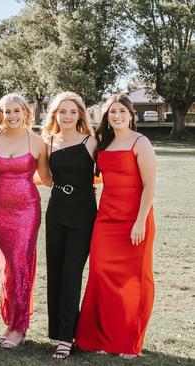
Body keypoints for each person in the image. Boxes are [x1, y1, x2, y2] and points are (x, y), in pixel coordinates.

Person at [75, 94, 156, 360]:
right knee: (100, 274)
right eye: (112, 112)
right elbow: (98, 176)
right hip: (106, 219)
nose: (117, 116)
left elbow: (149, 187)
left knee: (132, 281)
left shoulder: (140, 142)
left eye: (122, 111)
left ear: (131, 115)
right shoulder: (102, 142)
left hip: (136, 219)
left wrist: (140, 221)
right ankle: (99, 337)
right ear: (106, 116)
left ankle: (129, 340)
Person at [0, 93, 51, 348]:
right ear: (0, 114)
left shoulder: (38, 142)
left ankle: (19, 327)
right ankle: (10, 319)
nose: (12, 116)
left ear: (25, 112)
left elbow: (47, 178)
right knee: (7, 266)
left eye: (16, 111)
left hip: (27, 209)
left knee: (21, 263)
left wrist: (87, 181)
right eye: (7, 111)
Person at [41, 92, 97, 359]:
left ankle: (67, 338)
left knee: (72, 274)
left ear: (80, 115)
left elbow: (106, 173)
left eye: (72, 112)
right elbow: (43, 177)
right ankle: (59, 332)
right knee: (56, 273)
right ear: (55, 115)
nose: (67, 116)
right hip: (56, 211)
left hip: (84, 212)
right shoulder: (48, 142)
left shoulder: (91, 141)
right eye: (62, 111)